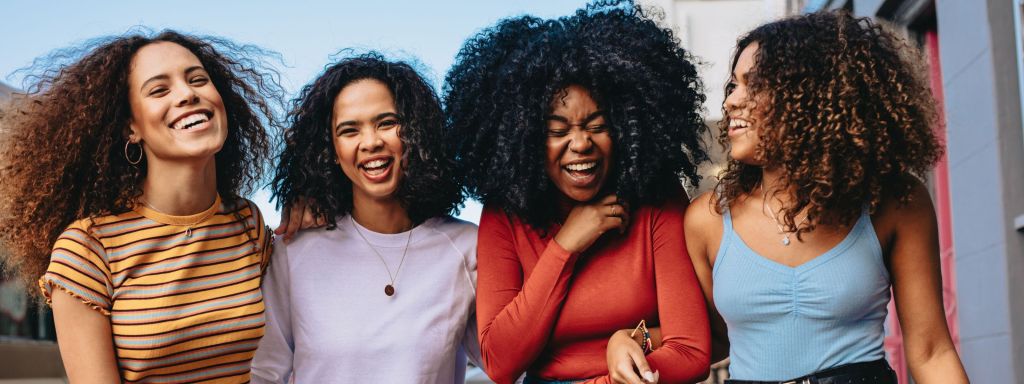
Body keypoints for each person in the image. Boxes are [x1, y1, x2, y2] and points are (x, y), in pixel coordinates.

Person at [656, 11, 967, 384]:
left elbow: (932, 351)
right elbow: (710, 342)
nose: (730, 102)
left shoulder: (895, 203)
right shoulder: (707, 219)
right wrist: (633, 338)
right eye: (731, 86)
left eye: (750, 85)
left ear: (811, 95)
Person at [444, 2, 711, 383]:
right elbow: (500, 363)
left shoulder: (656, 200)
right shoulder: (506, 215)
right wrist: (566, 246)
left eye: (597, 125)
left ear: (624, 127)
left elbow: (692, 351)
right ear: (526, 139)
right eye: (557, 131)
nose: (580, 143)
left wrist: (631, 342)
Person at [0, 30, 281, 382]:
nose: (188, 94)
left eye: (197, 80)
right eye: (159, 90)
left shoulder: (246, 223)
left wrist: (317, 204)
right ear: (131, 128)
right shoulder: (87, 248)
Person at [251, 53, 480, 383]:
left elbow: (507, 363)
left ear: (415, 131)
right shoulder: (291, 251)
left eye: (386, 123)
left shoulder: (466, 247)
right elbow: (264, 374)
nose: (371, 142)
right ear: (330, 150)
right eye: (349, 130)